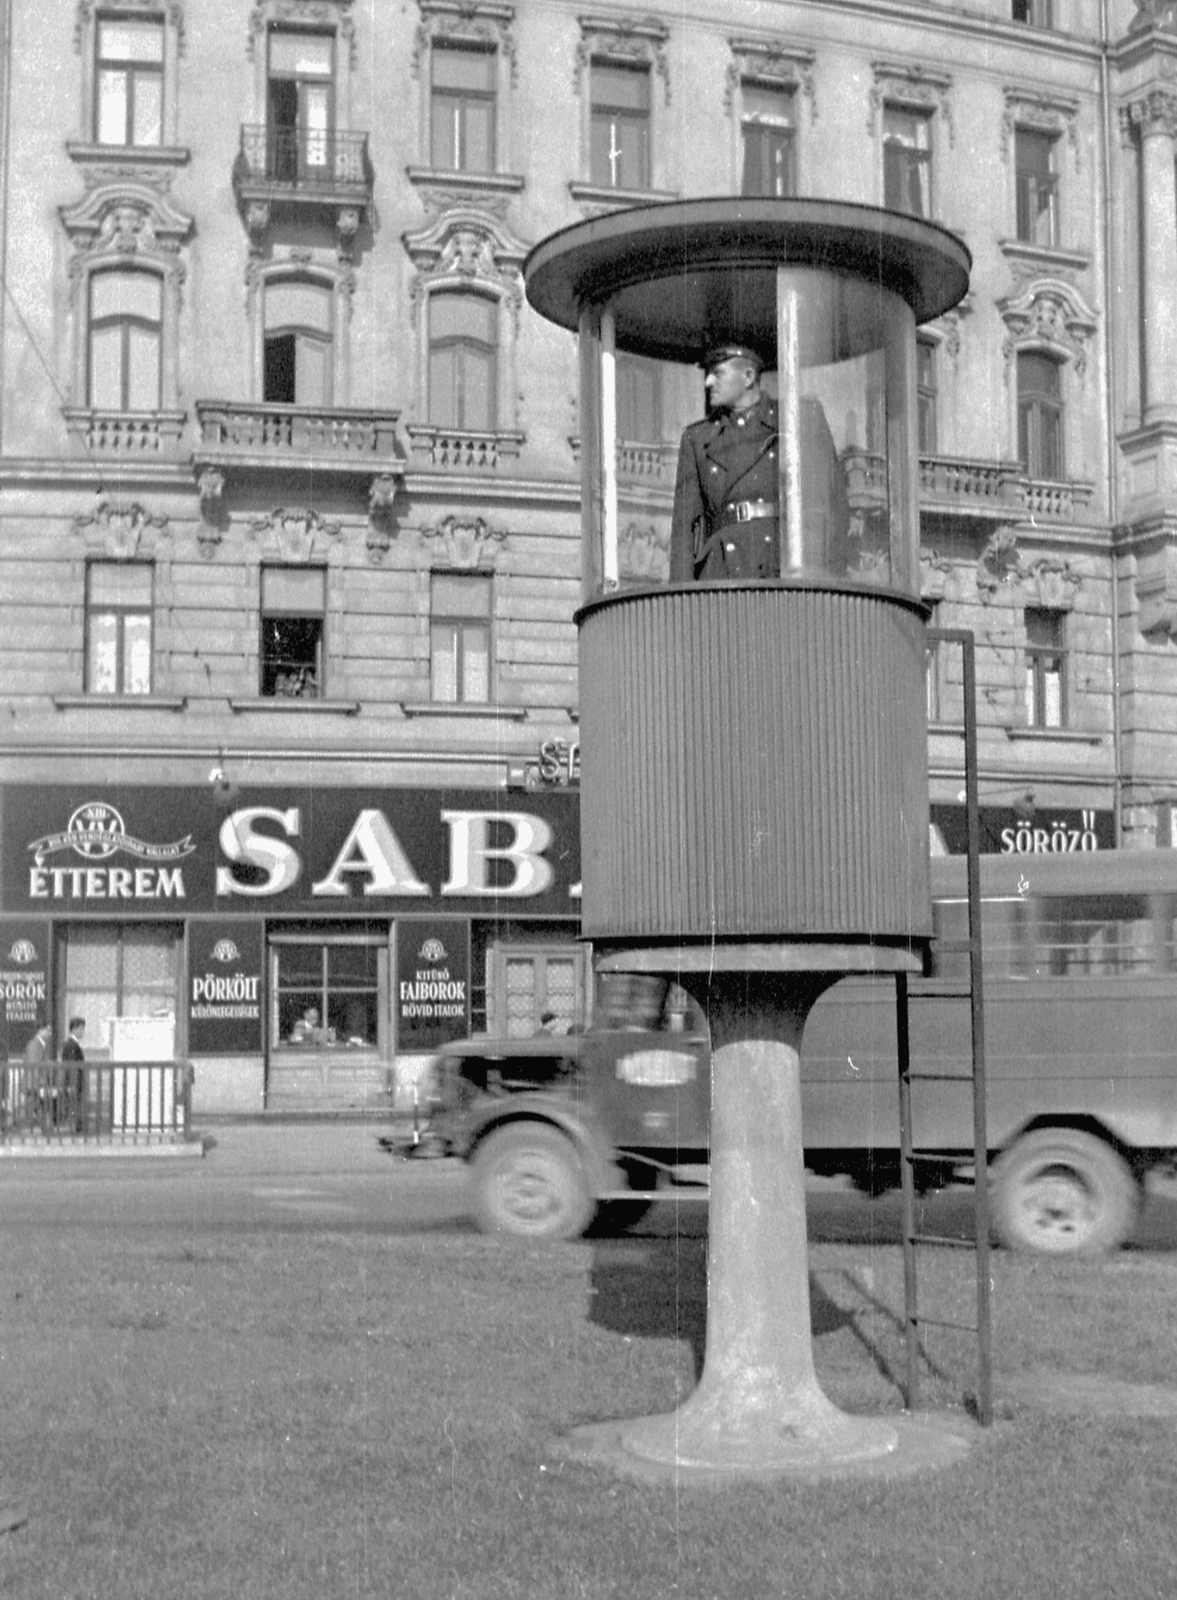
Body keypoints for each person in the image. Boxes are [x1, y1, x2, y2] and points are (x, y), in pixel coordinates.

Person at [668, 341, 851, 584]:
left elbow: (834, 505)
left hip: (784, 570)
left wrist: (829, 581)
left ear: (748, 377)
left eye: (718, 373)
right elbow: (683, 531)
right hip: (723, 575)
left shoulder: (799, 420)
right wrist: (682, 603)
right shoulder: (697, 439)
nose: (708, 382)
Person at [61, 1017, 86, 1132]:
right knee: (74, 1104)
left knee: (75, 1104)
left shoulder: (71, 1044)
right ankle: (75, 1127)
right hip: (74, 1081)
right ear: (74, 1029)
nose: (82, 1031)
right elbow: (71, 1066)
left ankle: (75, 1126)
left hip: (74, 1081)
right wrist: (72, 1083)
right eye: (81, 1029)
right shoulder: (71, 1045)